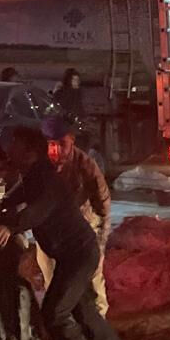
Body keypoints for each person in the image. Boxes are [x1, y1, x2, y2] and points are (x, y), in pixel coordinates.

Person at [0, 125, 130, 340]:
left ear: (30, 152)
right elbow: (15, 200)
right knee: (82, 310)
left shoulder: (45, 179)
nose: (9, 149)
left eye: (15, 145)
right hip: (71, 256)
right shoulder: (35, 177)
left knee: (55, 313)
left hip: (80, 255)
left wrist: (10, 227)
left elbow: (38, 210)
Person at [43, 115, 112, 314]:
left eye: (61, 144)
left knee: (92, 280)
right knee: (54, 282)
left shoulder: (86, 166)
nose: (55, 151)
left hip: (83, 230)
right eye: (50, 144)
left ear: (72, 140)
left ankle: (100, 324)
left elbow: (103, 206)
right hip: (52, 234)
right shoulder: (42, 167)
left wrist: (100, 242)